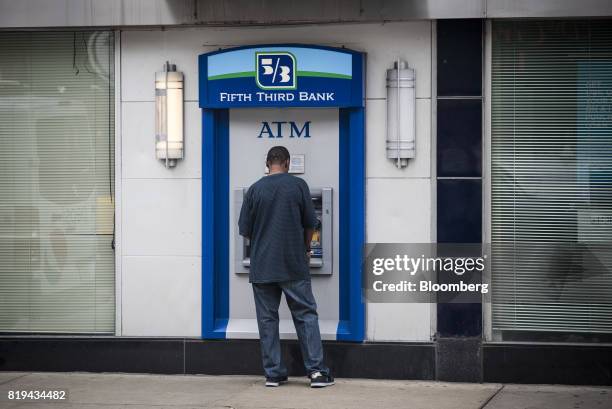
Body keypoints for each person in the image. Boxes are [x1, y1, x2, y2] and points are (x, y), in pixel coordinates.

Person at [238, 145, 334, 388]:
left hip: (262, 266)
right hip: (293, 264)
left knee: (267, 320)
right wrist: (304, 247)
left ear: (267, 163)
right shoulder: (298, 186)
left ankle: (274, 374)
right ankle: (316, 373)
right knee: (305, 316)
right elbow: (312, 223)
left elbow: (245, 231)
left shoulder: (254, 190)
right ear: (288, 163)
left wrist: (264, 242)